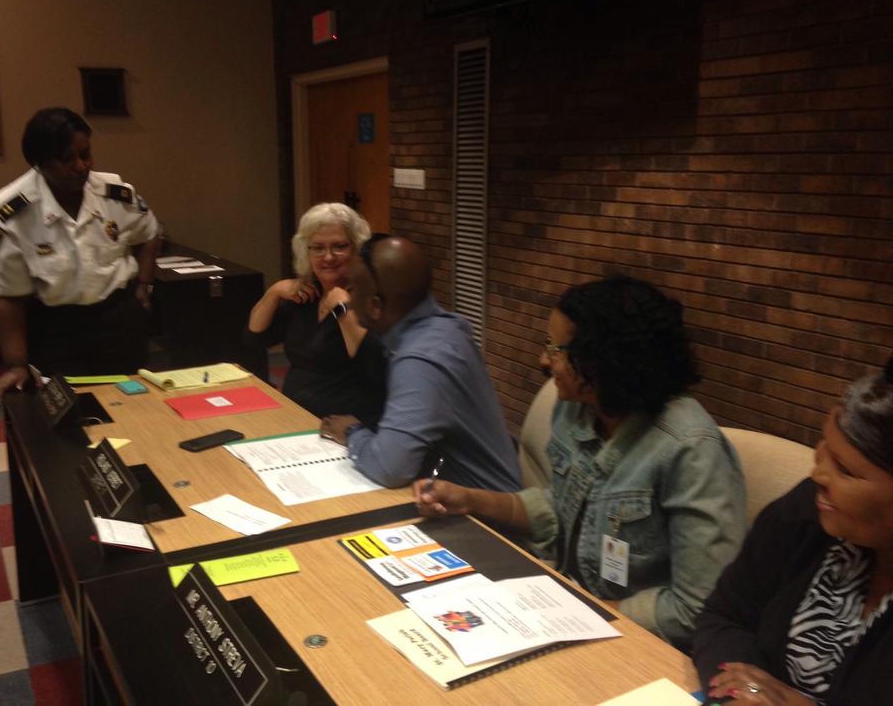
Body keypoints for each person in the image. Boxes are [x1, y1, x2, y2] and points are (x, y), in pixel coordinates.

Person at [414, 275, 746, 650]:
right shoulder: (579, 409)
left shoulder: (690, 450)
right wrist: (470, 499)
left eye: (557, 350)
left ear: (604, 360)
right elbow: (561, 509)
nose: (544, 360)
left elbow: (696, 609)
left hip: (636, 646)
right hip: (561, 607)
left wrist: (585, 617)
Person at [695, 357, 893, 706]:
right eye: (824, 447)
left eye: (845, 469)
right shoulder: (807, 513)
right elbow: (726, 614)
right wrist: (741, 692)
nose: (817, 474)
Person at [0, 107, 159, 405]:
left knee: (132, 410)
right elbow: (5, 295)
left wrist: (144, 287)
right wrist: (16, 362)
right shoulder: (12, 212)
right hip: (56, 328)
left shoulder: (115, 193)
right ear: (39, 162)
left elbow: (150, 234)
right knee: (66, 418)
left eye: (86, 154)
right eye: (67, 159)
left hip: (118, 322)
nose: (81, 166)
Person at [320, 235, 521, 492]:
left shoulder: (421, 358)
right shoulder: (445, 328)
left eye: (353, 288)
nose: (347, 295)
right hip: (455, 498)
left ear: (375, 306)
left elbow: (390, 468)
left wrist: (352, 433)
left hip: (484, 521)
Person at [245, 202, 386, 425]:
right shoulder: (307, 294)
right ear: (306, 252)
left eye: (339, 246)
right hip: (293, 416)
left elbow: (375, 366)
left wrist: (341, 308)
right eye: (318, 248)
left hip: (340, 426)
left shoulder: (369, 298)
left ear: (357, 249)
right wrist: (274, 292)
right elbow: (255, 337)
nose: (328, 257)